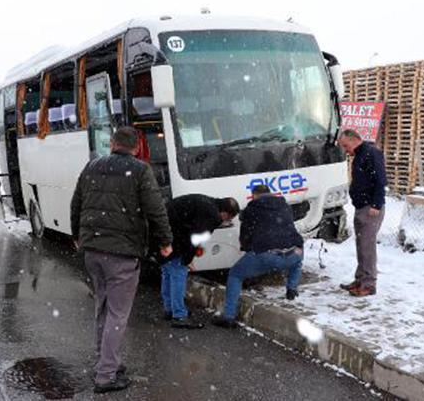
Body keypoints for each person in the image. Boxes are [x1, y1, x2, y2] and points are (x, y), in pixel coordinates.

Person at [70, 126, 172, 394]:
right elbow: (156, 209)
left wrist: (77, 236)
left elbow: (76, 203)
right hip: (122, 253)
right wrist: (165, 242)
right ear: (136, 148)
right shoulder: (139, 170)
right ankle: (105, 376)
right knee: (117, 313)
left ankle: (106, 361)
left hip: (92, 250)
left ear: (112, 143)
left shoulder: (92, 166)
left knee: (103, 309)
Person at [212, 185, 304, 329]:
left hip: (268, 254)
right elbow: (289, 229)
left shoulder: (252, 209)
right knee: (297, 259)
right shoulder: (284, 206)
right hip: (294, 252)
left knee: (235, 274)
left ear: (254, 195)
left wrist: (247, 248)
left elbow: (246, 235)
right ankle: (292, 289)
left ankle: (229, 317)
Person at [162, 194, 239, 329]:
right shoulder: (212, 215)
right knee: (178, 274)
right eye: (228, 219)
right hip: (175, 237)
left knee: (168, 272)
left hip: (164, 232)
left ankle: (170, 309)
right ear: (226, 214)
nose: (225, 222)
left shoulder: (207, 202)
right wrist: (187, 259)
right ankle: (179, 316)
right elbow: (196, 239)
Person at [337, 129, 386, 297]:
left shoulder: (372, 153)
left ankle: (369, 284)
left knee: (367, 247)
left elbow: (380, 180)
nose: (345, 150)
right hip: (361, 206)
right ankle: (360, 279)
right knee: (361, 246)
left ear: (354, 140)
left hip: (370, 208)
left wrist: (376, 204)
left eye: (345, 145)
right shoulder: (359, 155)